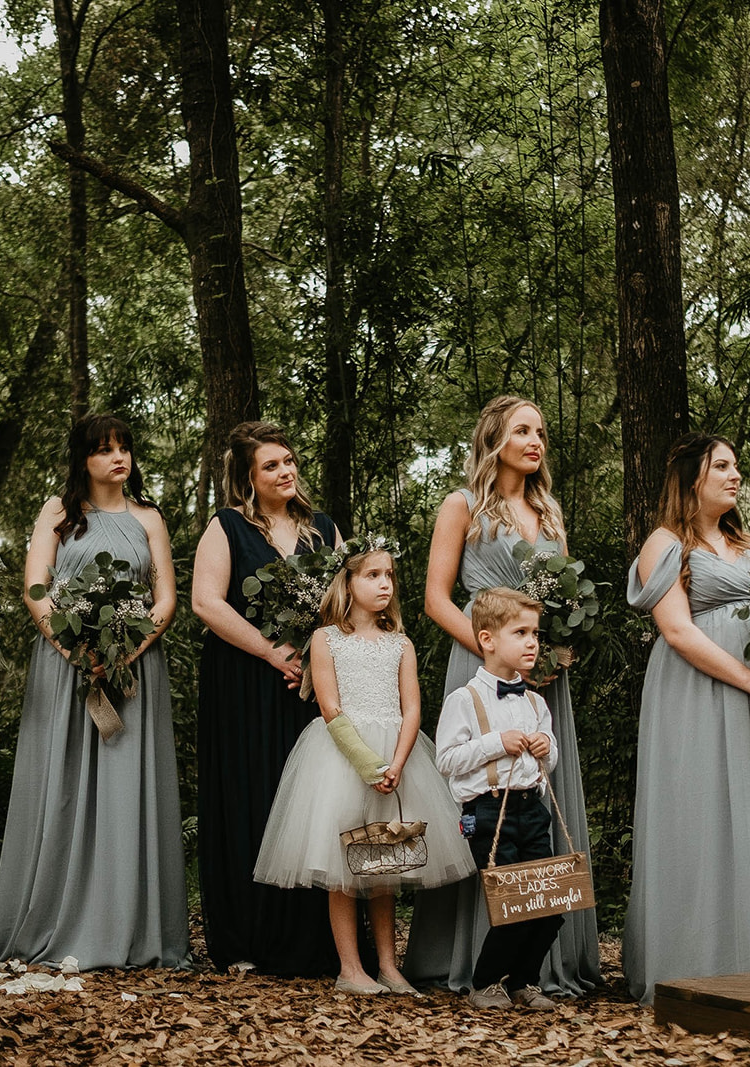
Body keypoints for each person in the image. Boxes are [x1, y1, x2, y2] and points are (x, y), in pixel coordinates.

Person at [405, 395, 599, 996]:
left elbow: (562, 599)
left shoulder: (550, 515)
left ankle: (539, 964)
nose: (536, 440)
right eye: (522, 430)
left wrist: (553, 650)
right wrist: (495, 653)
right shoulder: (461, 506)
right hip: (481, 655)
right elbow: (437, 597)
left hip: (540, 670)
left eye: (540, 430)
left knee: (536, 791)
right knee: (483, 800)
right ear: (495, 438)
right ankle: (465, 957)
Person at [0, 414, 189, 970]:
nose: (117, 458)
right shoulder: (57, 511)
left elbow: (165, 596)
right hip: (65, 662)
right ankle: (53, 917)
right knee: (64, 782)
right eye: (103, 450)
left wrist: (131, 648)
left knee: (125, 788)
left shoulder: (149, 517)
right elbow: (34, 586)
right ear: (83, 458)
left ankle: (127, 925)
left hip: (134, 666)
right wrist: (74, 648)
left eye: (123, 448)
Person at [624, 432, 750, 1003]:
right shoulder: (665, 544)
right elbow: (679, 631)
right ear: (692, 479)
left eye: (737, 466)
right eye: (723, 466)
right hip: (699, 695)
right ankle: (701, 963)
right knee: (702, 814)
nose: (736, 476)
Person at [254, 537, 473, 994]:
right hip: (342, 758)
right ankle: (350, 969)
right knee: (342, 868)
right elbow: (330, 707)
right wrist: (369, 765)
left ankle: (389, 968)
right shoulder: (325, 638)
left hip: (399, 756)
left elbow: (412, 708)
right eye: (372, 575)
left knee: (384, 866)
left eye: (389, 575)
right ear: (348, 583)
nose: (384, 584)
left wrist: (395, 762)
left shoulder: (400, 643)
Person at [190, 421, 341, 976]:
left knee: (312, 799)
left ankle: (313, 935)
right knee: (252, 791)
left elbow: (346, 599)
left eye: (289, 461)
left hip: (310, 682)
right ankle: (248, 935)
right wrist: (271, 651)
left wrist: (316, 654)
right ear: (248, 478)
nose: (286, 471)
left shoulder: (323, 529)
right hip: (244, 680)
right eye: (271, 465)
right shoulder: (226, 526)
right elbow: (206, 602)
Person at [434, 586, 563, 1011]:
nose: (532, 642)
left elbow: (548, 761)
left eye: (535, 634)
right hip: (487, 812)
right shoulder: (464, 700)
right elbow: (447, 760)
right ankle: (487, 982)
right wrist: (495, 743)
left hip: (533, 809)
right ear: (488, 640)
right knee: (513, 903)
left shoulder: (535, 702)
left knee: (548, 904)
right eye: (521, 632)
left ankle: (526, 980)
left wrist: (548, 747)